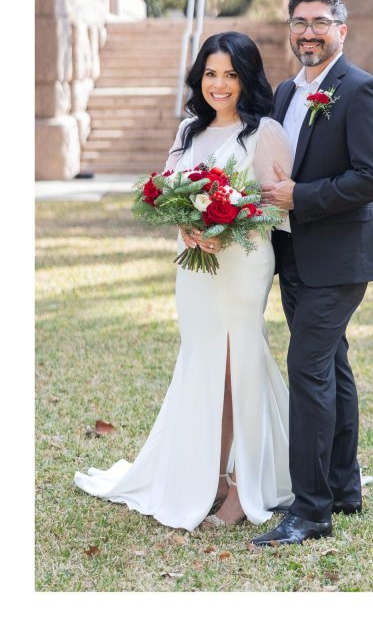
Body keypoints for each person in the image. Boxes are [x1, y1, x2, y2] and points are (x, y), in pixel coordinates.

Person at [75, 31, 294, 530]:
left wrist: (231, 222)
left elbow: (277, 211)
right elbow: (167, 194)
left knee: (241, 368)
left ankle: (244, 489)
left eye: (231, 75)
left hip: (243, 263)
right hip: (194, 265)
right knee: (205, 365)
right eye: (211, 74)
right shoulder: (188, 133)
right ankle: (212, 476)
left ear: (247, 79)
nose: (220, 85)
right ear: (200, 78)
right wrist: (190, 227)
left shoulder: (265, 133)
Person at [252, 0, 373, 546]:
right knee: (332, 366)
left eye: (319, 21)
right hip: (291, 252)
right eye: (298, 22)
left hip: (337, 259)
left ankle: (311, 511)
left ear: (342, 28)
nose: (307, 32)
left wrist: (301, 198)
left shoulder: (362, 91)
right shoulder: (287, 90)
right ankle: (342, 486)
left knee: (308, 369)